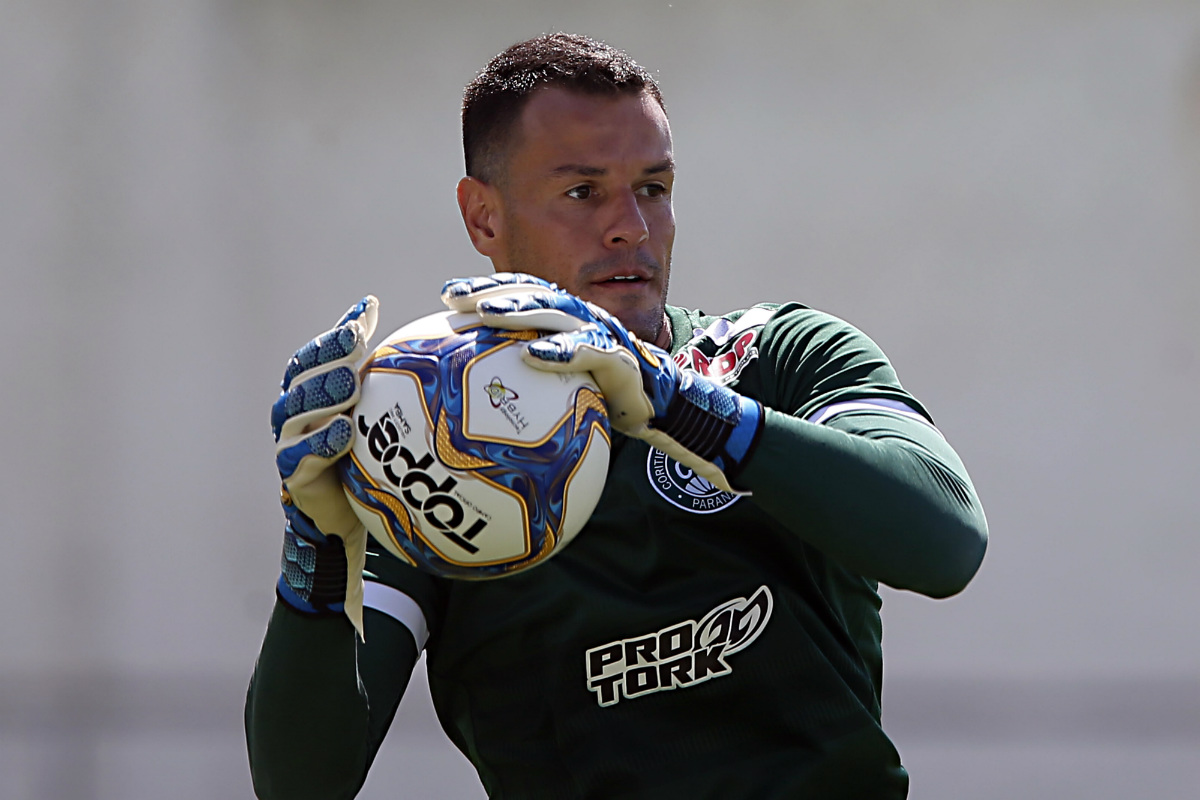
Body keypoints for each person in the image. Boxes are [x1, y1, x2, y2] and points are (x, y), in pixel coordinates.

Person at [245, 33, 988, 799]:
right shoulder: (432, 450)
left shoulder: (777, 358)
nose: (631, 225)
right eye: (583, 192)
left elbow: (946, 543)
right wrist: (319, 556)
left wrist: (683, 408)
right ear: (484, 219)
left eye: (655, 187)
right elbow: (300, 785)